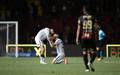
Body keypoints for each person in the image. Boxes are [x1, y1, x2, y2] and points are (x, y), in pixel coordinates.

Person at [76, 6, 98, 72]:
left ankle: (87, 68)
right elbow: (96, 28)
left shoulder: (80, 18)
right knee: (94, 53)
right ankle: (90, 62)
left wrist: (77, 38)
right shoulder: (93, 18)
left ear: (84, 11)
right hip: (91, 37)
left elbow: (78, 29)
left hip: (83, 38)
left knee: (84, 52)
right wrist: (96, 36)